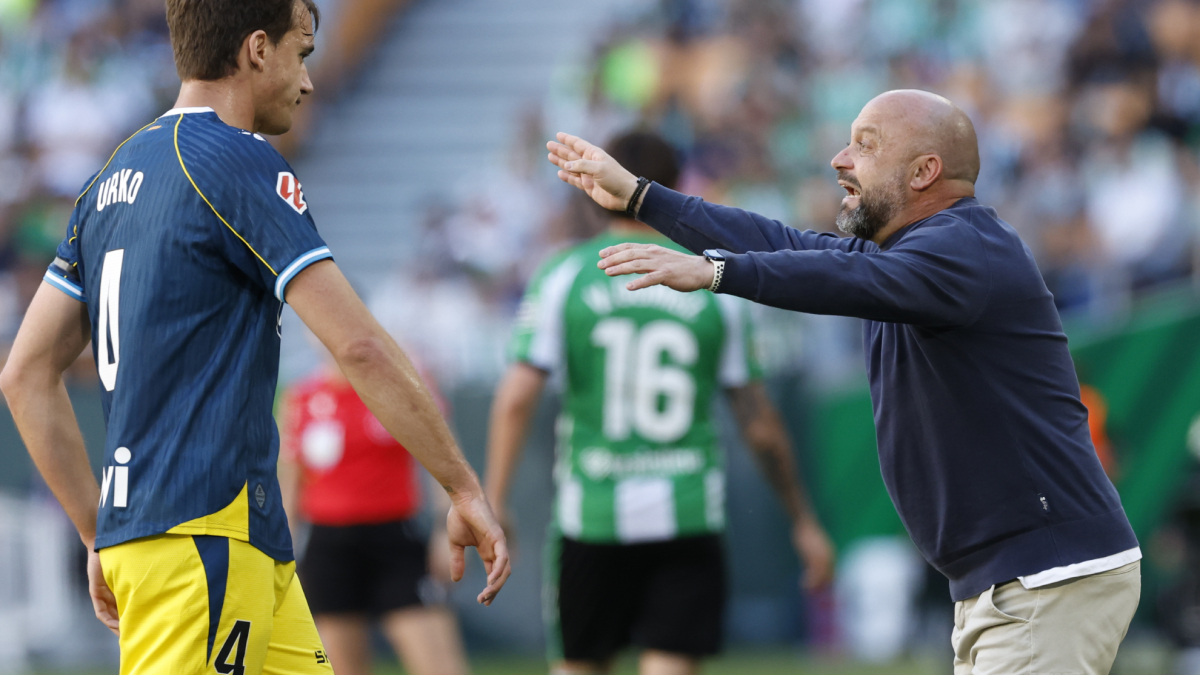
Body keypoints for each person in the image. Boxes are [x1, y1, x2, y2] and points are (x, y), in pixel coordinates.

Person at [547, 90, 1141, 674]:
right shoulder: (912, 253)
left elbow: (833, 274)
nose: (839, 158)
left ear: (924, 171)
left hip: (1046, 575)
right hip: (1015, 578)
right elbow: (793, 246)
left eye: (865, 144)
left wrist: (716, 271)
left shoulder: (964, 246)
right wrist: (642, 197)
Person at [0, 1, 510, 674]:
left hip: (231, 542)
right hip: (202, 537)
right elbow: (357, 344)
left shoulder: (111, 178)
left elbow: (24, 372)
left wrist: (100, 531)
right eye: (302, 54)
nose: (307, 81)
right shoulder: (237, 161)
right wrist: (463, 487)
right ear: (258, 49)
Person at [487, 131, 834, 675]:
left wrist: (496, 499)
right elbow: (761, 425)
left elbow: (515, 399)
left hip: (591, 516)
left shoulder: (562, 277)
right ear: (677, 186)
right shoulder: (715, 280)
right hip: (687, 511)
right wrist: (802, 519)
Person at [279, 349, 471, 675]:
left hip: (394, 538)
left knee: (441, 666)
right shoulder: (302, 397)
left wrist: (444, 528)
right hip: (329, 545)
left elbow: (444, 460)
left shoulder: (400, 385)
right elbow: (290, 485)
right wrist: (284, 555)